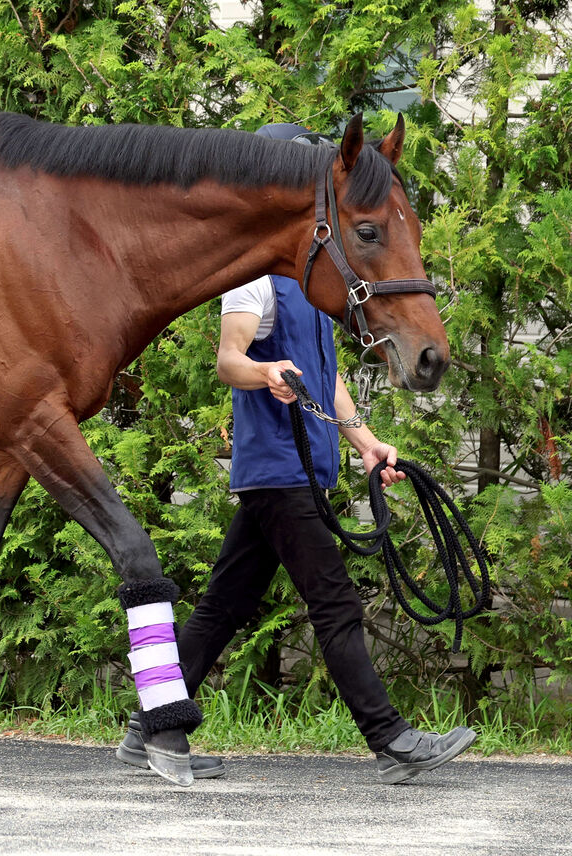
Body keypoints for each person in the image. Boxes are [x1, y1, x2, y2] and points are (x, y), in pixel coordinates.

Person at [115, 123, 477, 784]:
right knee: (334, 601)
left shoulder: (315, 279)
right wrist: (265, 371)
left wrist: (364, 442)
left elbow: (325, 373)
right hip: (273, 465)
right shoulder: (253, 281)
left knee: (225, 605)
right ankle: (391, 739)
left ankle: (148, 725)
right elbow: (228, 359)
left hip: (303, 464)